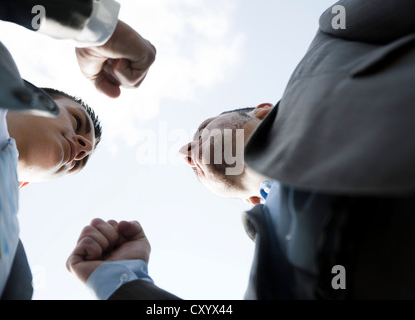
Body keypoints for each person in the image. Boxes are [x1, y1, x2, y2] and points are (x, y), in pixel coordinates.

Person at [67, 0, 415, 300]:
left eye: (203, 127)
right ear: (248, 202)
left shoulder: (334, 43)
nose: (185, 151)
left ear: (262, 111)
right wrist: (122, 280)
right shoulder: (273, 263)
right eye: (192, 166)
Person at [0, 0, 155, 299]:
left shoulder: (13, 277)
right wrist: (96, 26)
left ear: (23, 184)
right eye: (77, 122)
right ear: (30, 94)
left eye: (81, 163)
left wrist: (126, 285)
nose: (80, 148)